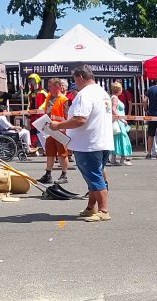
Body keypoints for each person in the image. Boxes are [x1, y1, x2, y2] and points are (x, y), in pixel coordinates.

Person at [48, 66, 114, 222]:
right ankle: (91, 207)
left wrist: (58, 125)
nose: (75, 83)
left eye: (75, 79)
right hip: (102, 141)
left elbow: (80, 119)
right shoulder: (102, 92)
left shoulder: (85, 94)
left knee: (94, 176)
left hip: (88, 143)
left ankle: (103, 210)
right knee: (94, 176)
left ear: (80, 77)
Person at [39, 77, 69, 184]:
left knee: (62, 154)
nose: (48, 88)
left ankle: (64, 175)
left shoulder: (64, 100)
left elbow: (68, 116)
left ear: (57, 86)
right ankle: (48, 174)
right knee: (50, 153)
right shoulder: (49, 97)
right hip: (50, 130)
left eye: (50, 86)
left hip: (61, 130)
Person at [109, 82, 132, 166]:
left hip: (118, 121)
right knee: (123, 140)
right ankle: (122, 159)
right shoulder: (115, 98)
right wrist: (122, 119)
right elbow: (113, 110)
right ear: (119, 89)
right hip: (119, 122)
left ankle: (113, 159)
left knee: (117, 140)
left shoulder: (112, 97)